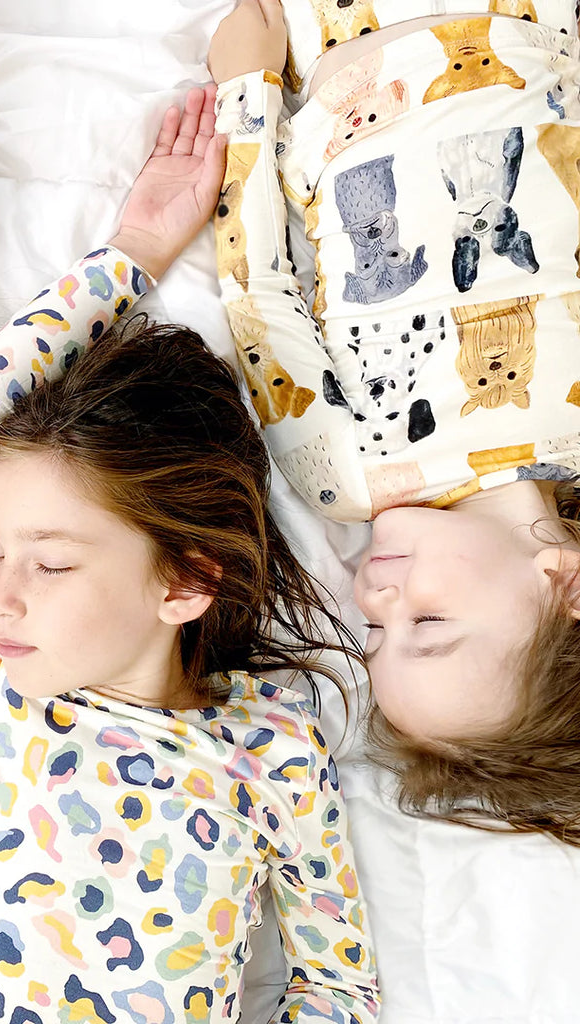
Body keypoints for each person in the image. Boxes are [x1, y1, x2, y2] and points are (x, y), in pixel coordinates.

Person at [0, 85, 379, 1022]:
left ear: (186, 580)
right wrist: (136, 248)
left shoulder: (272, 744)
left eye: (50, 564)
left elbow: (336, 983)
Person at [210, 0, 580, 841]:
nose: (375, 595)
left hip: (351, 41)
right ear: (564, 583)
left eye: (377, 630)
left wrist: (247, 92)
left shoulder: (350, 478)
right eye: (429, 623)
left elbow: (257, 292)